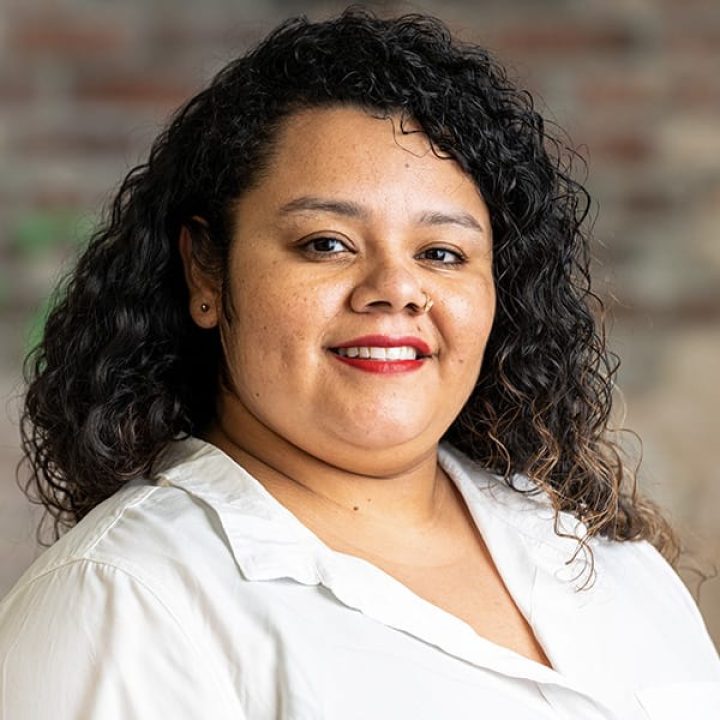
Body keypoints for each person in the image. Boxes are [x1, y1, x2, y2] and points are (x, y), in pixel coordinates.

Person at [1, 8, 718, 719]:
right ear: (206, 271)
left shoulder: (600, 557)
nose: (396, 289)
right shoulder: (123, 600)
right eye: (326, 243)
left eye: (442, 253)